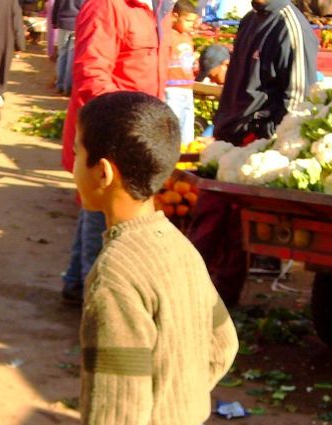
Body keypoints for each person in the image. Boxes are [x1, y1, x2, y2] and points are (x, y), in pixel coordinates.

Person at [64, 91, 239, 425]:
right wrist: (178, 397)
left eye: (77, 154)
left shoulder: (115, 273)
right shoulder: (175, 243)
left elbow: (118, 400)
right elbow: (224, 342)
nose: (72, 166)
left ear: (103, 173)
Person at [185, 0, 317, 305]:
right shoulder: (249, 20)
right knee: (209, 222)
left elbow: (298, 100)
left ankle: (215, 305)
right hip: (229, 137)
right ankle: (192, 298)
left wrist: (264, 144)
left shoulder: (290, 26)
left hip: (254, 143)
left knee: (231, 229)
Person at [59, 0, 175, 306]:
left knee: (95, 212)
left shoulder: (159, 7)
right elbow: (91, 77)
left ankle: (75, 282)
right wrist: (126, 131)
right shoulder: (107, 6)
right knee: (109, 221)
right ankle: (98, 305)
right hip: (112, 140)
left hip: (134, 133)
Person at [165, 0, 198, 146]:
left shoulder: (187, 37)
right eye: (188, 20)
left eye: (193, 21)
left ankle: (185, 159)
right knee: (172, 128)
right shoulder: (167, 36)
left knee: (187, 129)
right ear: (175, 16)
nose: (191, 24)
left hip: (187, 89)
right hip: (171, 89)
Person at [51, 0, 84, 96]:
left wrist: (54, 22)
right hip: (76, 24)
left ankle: (59, 85)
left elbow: (56, 6)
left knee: (61, 54)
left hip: (62, 23)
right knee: (71, 57)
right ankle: (67, 87)